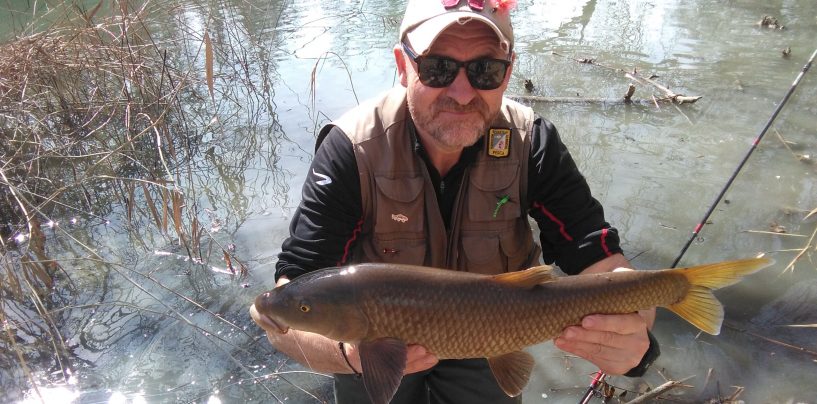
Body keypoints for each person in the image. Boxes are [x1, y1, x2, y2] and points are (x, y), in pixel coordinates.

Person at [256, 0, 659, 402]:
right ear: (402, 65)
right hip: (369, 341)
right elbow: (293, 293)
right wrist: (347, 354)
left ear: (508, 73)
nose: (462, 93)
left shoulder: (532, 142)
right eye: (437, 68)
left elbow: (602, 261)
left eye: (485, 70)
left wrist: (638, 340)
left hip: (493, 333)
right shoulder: (351, 149)